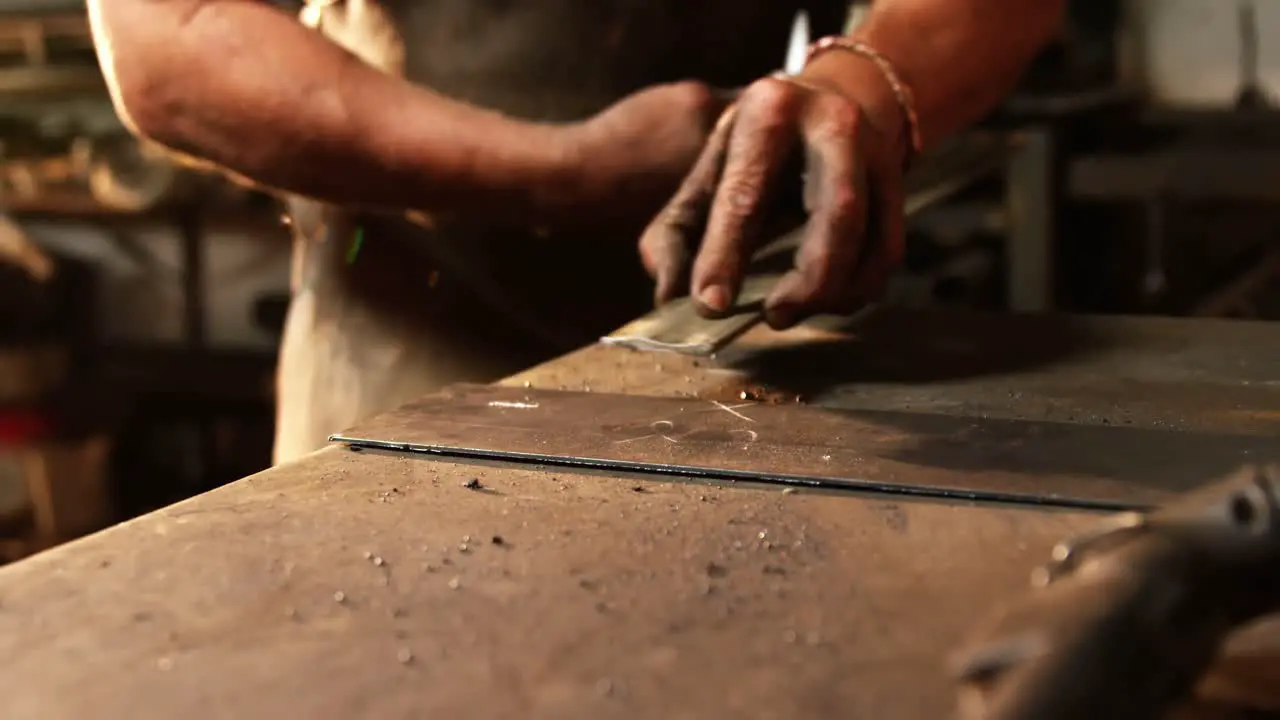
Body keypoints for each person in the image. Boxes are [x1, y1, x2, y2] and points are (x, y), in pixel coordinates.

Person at [87, 0, 1065, 464]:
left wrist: (859, 85)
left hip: (760, 369)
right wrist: (559, 174)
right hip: (406, 341)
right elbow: (168, 37)